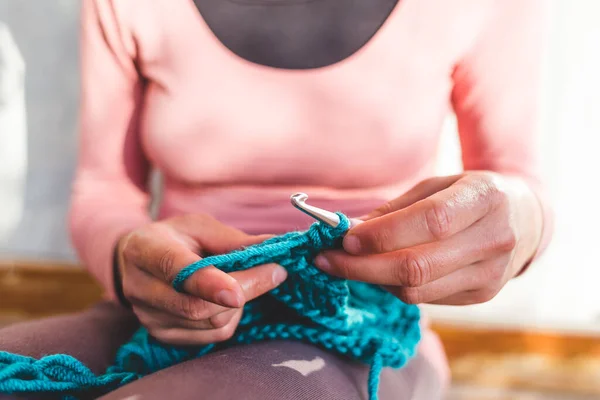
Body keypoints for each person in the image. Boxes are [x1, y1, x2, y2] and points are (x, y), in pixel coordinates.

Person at [0, 0, 552, 399]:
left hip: (363, 335)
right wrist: (129, 258)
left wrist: (520, 220)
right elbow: (102, 189)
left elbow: (516, 181)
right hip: (161, 316)